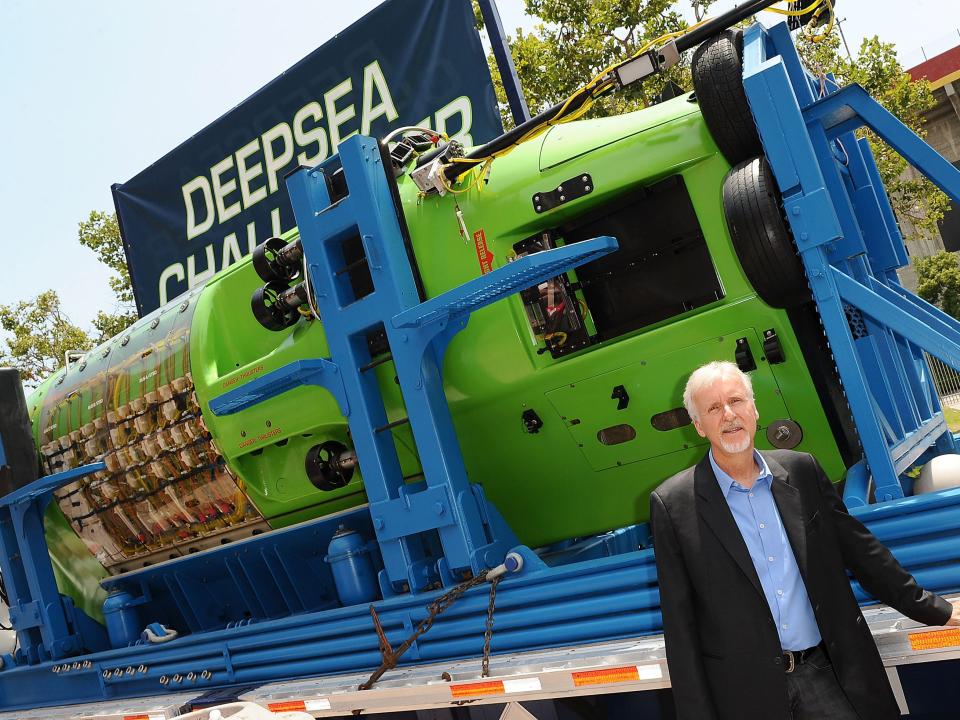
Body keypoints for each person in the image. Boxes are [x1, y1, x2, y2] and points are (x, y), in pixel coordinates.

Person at [649, 361, 960, 720]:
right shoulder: (673, 505)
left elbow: (862, 553)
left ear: (754, 408)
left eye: (736, 400)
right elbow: (680, 624)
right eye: (714, 408)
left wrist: (936, 608)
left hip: (826, 675)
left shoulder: (801, 471)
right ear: (699, 426)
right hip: (746, 695)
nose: (729, 415)